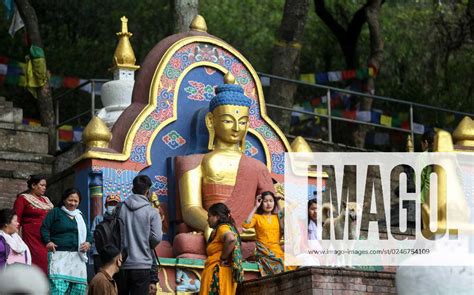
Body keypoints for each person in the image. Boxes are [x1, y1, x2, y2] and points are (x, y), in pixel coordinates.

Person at [176, 76, 275, 242]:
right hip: (216, 229)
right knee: (186, 242)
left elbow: (272, 208)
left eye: (242, 122)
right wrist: (214, 227)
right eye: (228, 121)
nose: (236, 128)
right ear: (210, 121)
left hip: (250, 232)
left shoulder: (257, 167)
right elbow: (190, 208)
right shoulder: (194, 163)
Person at [40, 188, 92, 294]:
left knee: (79, 289)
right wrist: (48, 241)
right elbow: (44, 228)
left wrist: (88, 243)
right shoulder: (55, 212)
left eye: (76, 201)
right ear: (64, 200)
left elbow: (88, 234)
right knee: (58, 289)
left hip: (78, 257)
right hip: (59, 256)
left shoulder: (80, 216)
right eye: (70, 200)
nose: (73, 203)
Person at [117, 175, 162, 295]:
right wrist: (146, 243)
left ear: (132, 189)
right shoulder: (152, 212)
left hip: (121, 264)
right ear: (148, 191)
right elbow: (157, 237)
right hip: (142, 266)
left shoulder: (119, 208)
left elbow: (114, 232)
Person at [243, 191, 291, 276]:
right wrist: (255, 206)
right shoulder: (257, 217)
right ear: (261, 202)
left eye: (271, 201)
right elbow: (246, 224)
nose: (268, 204)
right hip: (263, 251)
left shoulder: (277, 217)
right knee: (279, 265)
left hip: (277, 250)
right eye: (265, 201)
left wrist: (282, 199)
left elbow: (295, 207)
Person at [200, 203, 243, 295]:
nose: (207, 219)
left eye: (209, 216)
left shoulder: (222, 228)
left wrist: (223, 258)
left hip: (218, 273)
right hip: (222, 273)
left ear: (218, 217)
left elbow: (231, 239)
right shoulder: (221, 229)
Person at [13, 175, 53, 273]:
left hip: (47, 236)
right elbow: (16, 218)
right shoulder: (23, 199)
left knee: (49, 262)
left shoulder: (46, 200)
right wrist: (14, 239)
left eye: (45, 186)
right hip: (32, 236)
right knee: (37, 261)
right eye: (42, 185)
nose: (44, 188)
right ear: (33, 185)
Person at [91, 194, 121, 273]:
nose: (112, 206)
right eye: (110, 204)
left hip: (116, 254)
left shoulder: (120, 220)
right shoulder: (99, 218)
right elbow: (92, 235)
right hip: (100, 253)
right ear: (105, 205)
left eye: (115, 204)